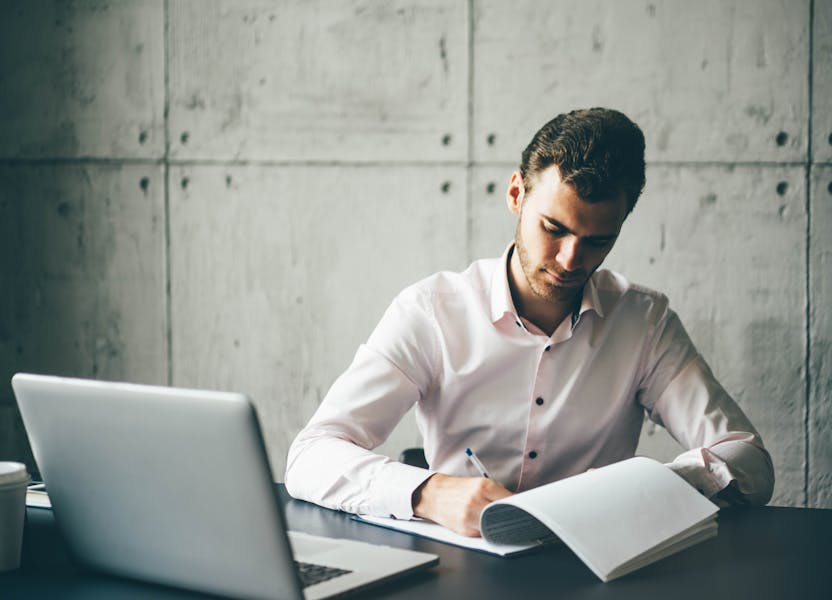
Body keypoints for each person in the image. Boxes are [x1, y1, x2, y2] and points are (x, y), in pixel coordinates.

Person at [285, 108, 774, 537]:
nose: (569, 260)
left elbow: (748, 458)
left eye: (598, 241)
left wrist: (645, 489)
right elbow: (310, 457)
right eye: (554, 229)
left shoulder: (644, 322)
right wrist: (429, 494)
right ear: (517, 194)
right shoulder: (431, 311)